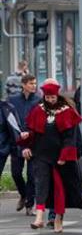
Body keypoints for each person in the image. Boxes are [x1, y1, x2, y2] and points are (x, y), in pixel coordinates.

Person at [20, 80, 82, 233]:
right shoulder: (38, 110)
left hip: (60, 157)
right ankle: (39, 218)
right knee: (41, 184)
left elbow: (70, 137)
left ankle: (58, 218)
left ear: (57, 95)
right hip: (41, 155)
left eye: (52, 98)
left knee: (59, 189)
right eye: (47, 98)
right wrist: (26, 144)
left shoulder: (67, 111)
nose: (50, 100)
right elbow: (31, 130)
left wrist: (64, 155)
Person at [9, 74, 40, 215]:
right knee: (16, 173)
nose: (34, 86)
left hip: (33, 141)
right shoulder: (13, 100)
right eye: (31, 83)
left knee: (32, 175)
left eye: (35, 83)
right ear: (23, 85)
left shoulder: (39, 100)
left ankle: (29, 205)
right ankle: (23, 194)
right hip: (17, 141)